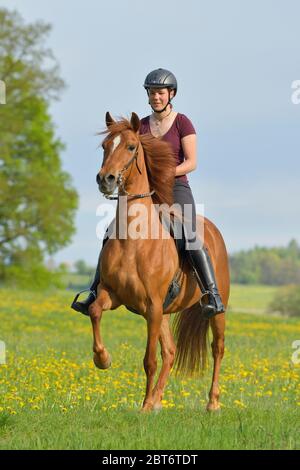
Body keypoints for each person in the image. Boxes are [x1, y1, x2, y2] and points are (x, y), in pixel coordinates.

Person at [71, 68, 224, 318]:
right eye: (152, 93)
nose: (156, 97)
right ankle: (93, 291)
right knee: (111, 232)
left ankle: (212, 294)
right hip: (147, 191)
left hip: (176, 188)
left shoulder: (183, 122)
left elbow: (192, 162)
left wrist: (166, 172)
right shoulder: (140, 126)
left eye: (160, 93)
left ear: (171, 94)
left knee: (191, 235)